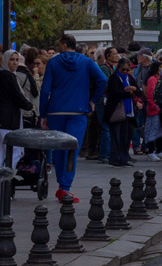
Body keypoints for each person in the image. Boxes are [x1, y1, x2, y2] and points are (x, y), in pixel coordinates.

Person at [38, 34, 109, 204]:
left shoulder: (54, 62)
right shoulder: (86, 61)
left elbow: (46, 90)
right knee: (72, 149)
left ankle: (61, 185)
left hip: (56, 111)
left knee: (59, 149)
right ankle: (65, 187)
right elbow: (102, 80)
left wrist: (43, 114)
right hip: (78, 111)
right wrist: (92, 100)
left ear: (63, 45)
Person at [102, 53, 143, 168]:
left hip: (128, 111)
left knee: (125, 136)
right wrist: (126, 92)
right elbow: (113, 93)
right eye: (123, 69)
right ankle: (115, 158)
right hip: (117, 110)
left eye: (127, 69)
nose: (125, 71)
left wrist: (134, 89)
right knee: (115, 135)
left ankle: (124, 157)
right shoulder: (114, 78)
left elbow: (139, 91)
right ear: (119, 68)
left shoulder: (129, 78)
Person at [0, 50, 33, 162]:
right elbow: (17, 96)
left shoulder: (5, 75)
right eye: (11, 59)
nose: (15, 63)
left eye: (17, 60)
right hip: (8, 120)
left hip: (4, 120)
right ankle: (6, 176)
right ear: (5, 61)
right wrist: (29, 106)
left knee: (2, 151)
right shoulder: (9, 76)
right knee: (14, 151)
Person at [140, 59, 162, 160]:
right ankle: (151, 151)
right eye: (160, 68)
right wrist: (154, 105)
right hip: (153, 109)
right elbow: (150, 94)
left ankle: (159, 150)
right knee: (152, 131)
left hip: (160, 109)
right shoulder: (152, 79)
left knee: (159, 131)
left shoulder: (161, 78)